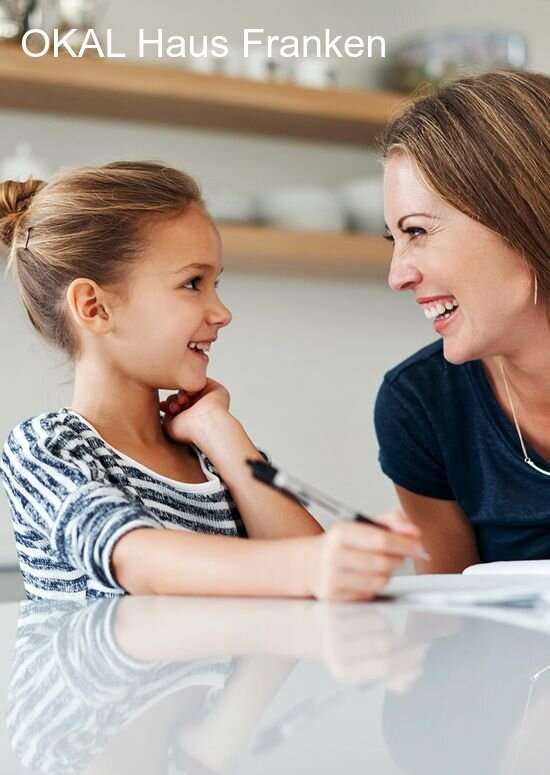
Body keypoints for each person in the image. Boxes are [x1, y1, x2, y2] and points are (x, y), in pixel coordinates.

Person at [0, 160, 424, 602]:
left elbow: (313, 586)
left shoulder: (211, 456)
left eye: (215, 284)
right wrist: (310, 565)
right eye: (192, 283)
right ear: (94, 307)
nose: (222, 313)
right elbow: (138, 562)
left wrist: (220, 432)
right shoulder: (47, 448)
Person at [376, 70, 550, 572]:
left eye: (416, 231)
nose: (397, 276)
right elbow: (446, 610)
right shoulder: (421, 404)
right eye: (393, 239)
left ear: (521, 214)